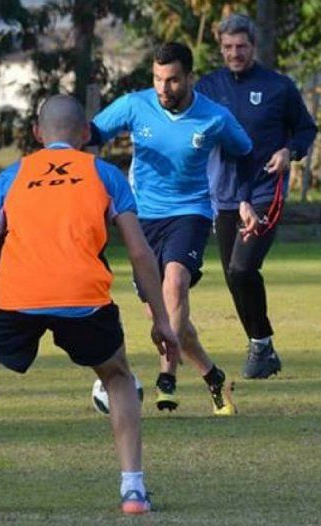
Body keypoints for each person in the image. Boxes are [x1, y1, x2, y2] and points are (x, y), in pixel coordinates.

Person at [0, 95, 179, 515]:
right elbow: (139, 252)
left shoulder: (12, 176)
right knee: (116, 376)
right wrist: (162, 320)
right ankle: (133, 490)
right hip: (83, 297)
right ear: (84, 135)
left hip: (19, 297)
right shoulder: (107, 175)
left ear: (38, 134)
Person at [90, 42, 251, 415]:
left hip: (191, 213)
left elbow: (244, 152)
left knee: (175, 284)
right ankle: (212, 377)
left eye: (173, 80)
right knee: (165, 317)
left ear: (190, 77)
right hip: (141, 219)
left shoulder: (215, 117)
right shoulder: (134, 105)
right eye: (158, 79)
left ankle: (167, 376)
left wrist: (244, 198)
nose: (164, 88)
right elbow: (90, 134)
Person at [196, 14, 318, 379]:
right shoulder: (207, 87)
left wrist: (289, 152)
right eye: (229, 47)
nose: (235, 53)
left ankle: (260, 345)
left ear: (253, 46)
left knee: (242, 267)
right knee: (234, 276)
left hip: (266, 188)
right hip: (226, 194)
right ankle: (261, 345)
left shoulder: (278, 87)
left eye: (242, 47)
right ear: (220, 47)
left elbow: (306, 129)